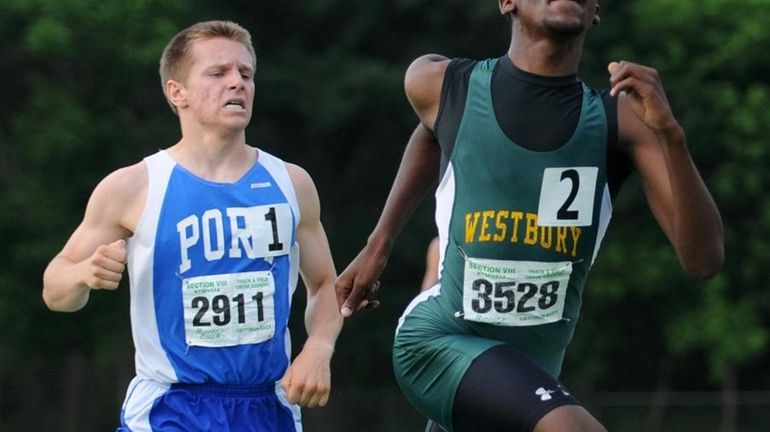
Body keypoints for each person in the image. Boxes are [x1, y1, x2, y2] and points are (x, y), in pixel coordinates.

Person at [335, 1, 724, 431]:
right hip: (440, 341)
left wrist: (671, 135)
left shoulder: (623, 121)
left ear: (595, 11)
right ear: (507, 2)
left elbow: (704, 259)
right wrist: (379, 244)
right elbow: (432, 131)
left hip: (528, 373)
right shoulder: (440, 83)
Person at [42, 20, 342, 431]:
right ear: (176, 92)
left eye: (246, 74)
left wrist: (319, 348)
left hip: (268, 408)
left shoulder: (291, 183)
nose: (237, 83)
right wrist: (83, 273)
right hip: (170, 408)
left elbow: (325, 285)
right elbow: (55, 290)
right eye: (218, 73)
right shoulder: (134, 186)